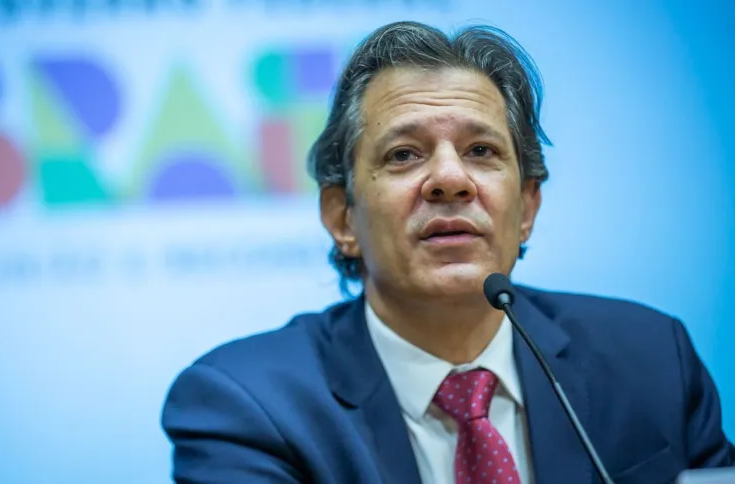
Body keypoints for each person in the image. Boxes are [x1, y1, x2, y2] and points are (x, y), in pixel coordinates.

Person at [160, 20, 735, 483]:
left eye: (481, 150)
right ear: (342, 217)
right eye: (404, 155)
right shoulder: (247, 406)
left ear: (527, 207)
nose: (451, 180)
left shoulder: (651, 361)